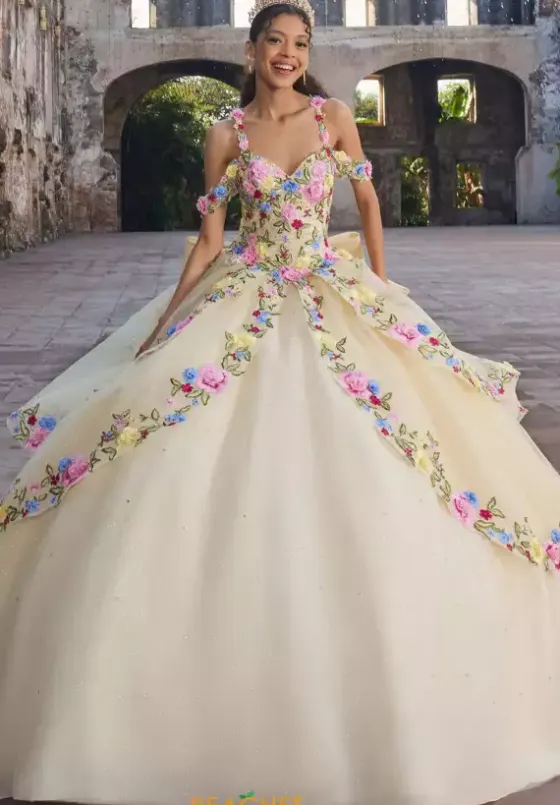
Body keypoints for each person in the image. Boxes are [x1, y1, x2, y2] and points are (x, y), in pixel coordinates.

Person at [1, 1, 560, 804]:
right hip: (248, 290)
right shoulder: (225, 133)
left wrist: (382, 289)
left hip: (330, 291)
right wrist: (164, 322)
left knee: (386, 446)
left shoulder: (335, 119)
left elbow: (368, 204)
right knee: (175, 440)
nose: (289, 54)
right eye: (276, 41)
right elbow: (210, 240)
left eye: (301, 43)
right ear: (252, 49)